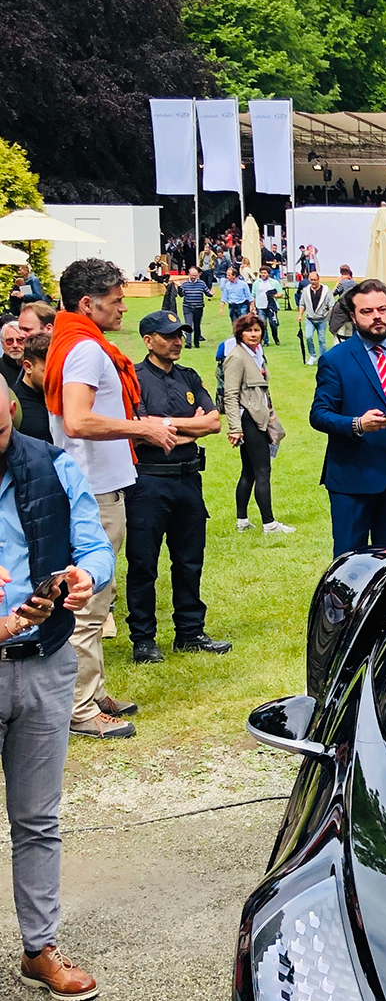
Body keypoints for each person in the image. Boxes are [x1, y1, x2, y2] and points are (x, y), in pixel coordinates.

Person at [0, 376, 117, 998]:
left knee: (39, 818)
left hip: (44, 662)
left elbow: (96, 546)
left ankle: (39, 948)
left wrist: (84, 576)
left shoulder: (53, 464)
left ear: (12, 412)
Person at [46, 259, 179, 739]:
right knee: (89, 601)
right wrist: (142, 427)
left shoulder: (73, 339)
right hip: (93, 489)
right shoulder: (85, 348)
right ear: (88, 304)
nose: (124, 307)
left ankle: (92, 690)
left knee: (96, 600)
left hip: (92, 485)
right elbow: (79, 420)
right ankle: (80, 708)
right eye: (117, 300)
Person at [126, 311, 232, 664]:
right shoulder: (135, 379)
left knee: (189, 560)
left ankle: (190, 632)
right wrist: (186, 427)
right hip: (149, 481)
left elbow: (213, 422)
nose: (177, 341)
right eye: (168, 335)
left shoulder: (188, 376)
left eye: (179, 335)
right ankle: (143, 638)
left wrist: (165, 427)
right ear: (148, 341)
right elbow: (138, 429)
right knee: (143, 563)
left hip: (188, 478)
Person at [310, 279, 386, 556]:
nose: (377, 316)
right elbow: (319, 414)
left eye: (382, 309)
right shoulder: (336, 359)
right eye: (367, 311)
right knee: (351, 560)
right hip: (354, 475)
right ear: (353, 317)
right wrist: (357, 424)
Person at [224, 314, 293, 539]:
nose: (254, 334)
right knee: (263, 470)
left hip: (259, 416)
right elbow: (230, 395)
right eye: (248, 330)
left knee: (249, 470)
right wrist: (235, 427)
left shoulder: (257, 353)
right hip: (248, 419)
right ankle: (269, 523)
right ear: (240, 333)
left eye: (257, 330)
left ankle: (242, 521)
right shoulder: (237, 357)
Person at [12, 337, 51, 442]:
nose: (54, 377)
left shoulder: (62, 397)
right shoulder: (12, 402)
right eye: (47, 371)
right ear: (28, 367)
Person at [298, 272, 335, 358]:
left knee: (321, 339)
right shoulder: (306, 291)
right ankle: (312, 355)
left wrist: (330, 317)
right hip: (310, 319)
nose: (313, 282)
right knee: (308, 337)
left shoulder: (326, 291)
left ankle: (322, 357)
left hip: (322, 319)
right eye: (311, 280)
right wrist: (300, 315)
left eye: (315, 280)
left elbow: (331, 305)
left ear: (318, 279)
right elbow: (302, 304)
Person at [179, 266, 209, 348]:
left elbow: (207, 293)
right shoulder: (185, 284)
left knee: (197, 325)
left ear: (198, 275)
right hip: (187, 307)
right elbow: (181, 295)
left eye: (195, 275)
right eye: (192, 275)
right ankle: (188, 343)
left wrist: (211, 293)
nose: (193, 277)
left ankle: (196, 342)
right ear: (189, 274)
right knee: (188, 325)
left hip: (198, 307)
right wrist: (179, 287)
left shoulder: (201, 283)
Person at [251, 266, 280, 345]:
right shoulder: (257, 283)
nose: (263, 274)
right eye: (262, 273)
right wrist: (253, 307)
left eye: (265, 273)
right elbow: (253, 295)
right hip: (260, 306)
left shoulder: (274, 282)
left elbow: (280, 293)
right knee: (262, 324)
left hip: (271, 307)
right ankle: (265, 341)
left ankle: (275, 338)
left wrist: (274, 295)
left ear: (268, 274)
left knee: (273, 324)